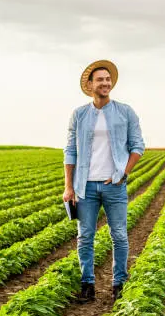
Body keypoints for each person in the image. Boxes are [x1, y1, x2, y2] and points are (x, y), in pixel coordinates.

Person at [62, 59, 145, 303]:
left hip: (114, 186)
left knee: (119, 235)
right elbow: (70, 150)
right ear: (90, 85)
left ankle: (119, 283)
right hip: (85, 186)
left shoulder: (125, 112)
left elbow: (138, 146)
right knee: (85, 236)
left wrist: (123, 173)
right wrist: (68, 186)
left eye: (108, 80)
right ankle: (87, 285)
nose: (105, 83)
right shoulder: (79, 115)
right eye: (100, 80)